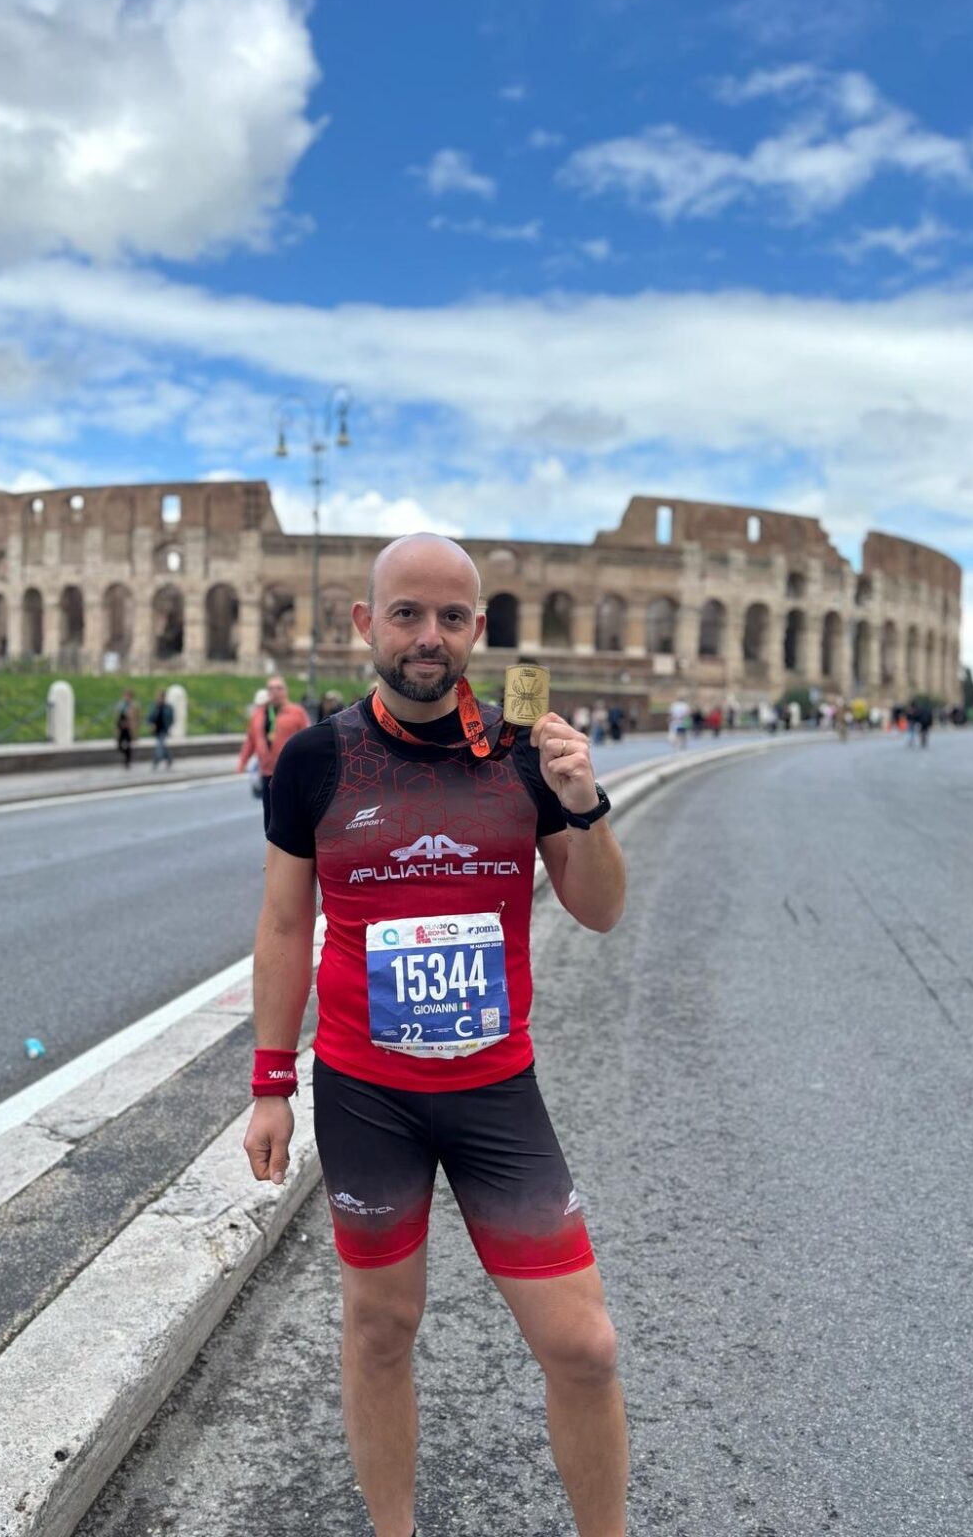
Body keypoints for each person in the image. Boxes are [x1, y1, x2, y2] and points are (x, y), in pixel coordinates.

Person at [243, 534, 629, 1537]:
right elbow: (283, 926)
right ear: (365, 624)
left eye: (451, 617)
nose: (429, 636)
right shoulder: (315, 759)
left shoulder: (525, 749)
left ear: (478, 631)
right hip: (367, 1093)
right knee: (381, 1330)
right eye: (406, 613)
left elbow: (599, 910)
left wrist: (584, 805)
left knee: (583, 1346)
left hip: (495, 1090)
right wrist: (270, 1083)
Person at [237, 674, 310, 833]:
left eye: (279, 688)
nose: (275, 692)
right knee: (270, 818)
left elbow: (308, 740)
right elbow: (251, 739)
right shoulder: (259, 714)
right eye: (271, 689)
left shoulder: (296, 712)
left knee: (290, 816)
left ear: (286, 691)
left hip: (290, 774)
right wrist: (242, 761)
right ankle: (272, 845)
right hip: (267, 773)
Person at [147, 687, 174, 769]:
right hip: (156, 730)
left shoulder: (168, 707)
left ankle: (155, 761)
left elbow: (171, 719)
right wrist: (151, 725)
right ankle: (169, 759)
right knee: (162, 746)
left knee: (160, 745)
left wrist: (168, 726)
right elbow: (149, 717)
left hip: (163, 729)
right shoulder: (154, 706)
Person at [115, 688, 139, 768]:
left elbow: (136, 718)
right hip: (121, 728)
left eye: (128, 696)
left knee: (128, 745)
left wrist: (135, 730)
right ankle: (127, 758)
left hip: (129, 728)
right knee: (119, 745)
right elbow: (117, 717)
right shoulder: (121, 705)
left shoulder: (134, 705)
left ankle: (127, 761)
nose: (126, 697)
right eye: (125, 695)